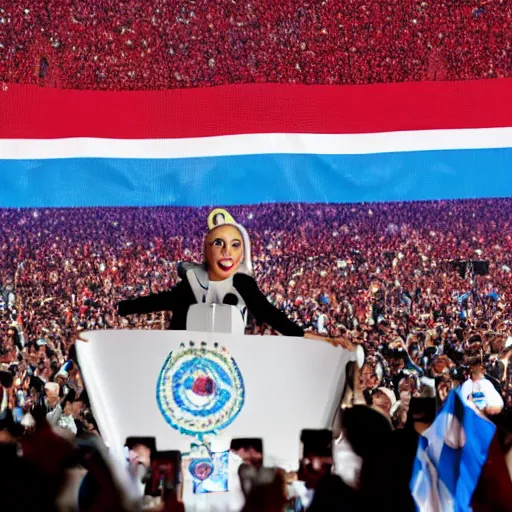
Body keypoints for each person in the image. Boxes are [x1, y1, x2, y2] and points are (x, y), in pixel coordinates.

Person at [117, 208, 351, 348]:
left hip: (229, 361)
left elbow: (274, 318)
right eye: (219, 244)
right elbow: (153, 303)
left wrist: (326, 340)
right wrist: (116, 308)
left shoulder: (242, 284)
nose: (227, 252)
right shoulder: (192, 282)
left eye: (234, 245)